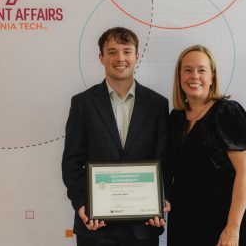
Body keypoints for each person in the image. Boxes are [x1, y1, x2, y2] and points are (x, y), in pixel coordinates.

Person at [62, 27, 169, 246]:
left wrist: (160, 201)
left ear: (136, 56)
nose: (120, 58)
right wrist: (82, 204)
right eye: (112, 52)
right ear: (101, 57)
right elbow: (71, 161)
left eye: (126, 51)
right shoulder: (82, 104)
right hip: (95, 224)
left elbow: (164, 159)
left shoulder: (158, 104)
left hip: (144, 224)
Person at [165, 45, 246, 246]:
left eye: (202, 70)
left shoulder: (227, 112)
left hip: (223, 223)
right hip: (184, 223)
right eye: (188, 70)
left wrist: (232, 229)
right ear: (179, 76)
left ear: (212, 77)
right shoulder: (175, 118)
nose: (195, 76)